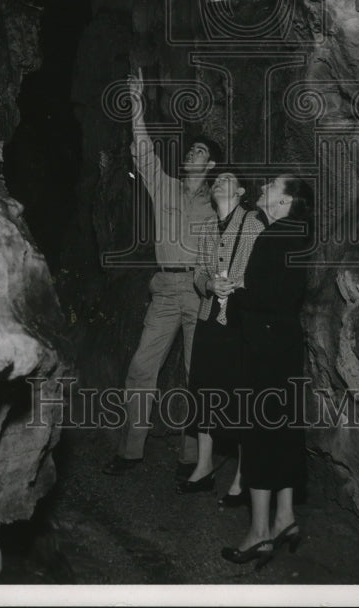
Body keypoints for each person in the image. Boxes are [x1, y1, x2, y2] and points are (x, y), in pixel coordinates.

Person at [103, 67, 222, 477]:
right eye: (192, 151)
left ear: (211, 168)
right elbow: (143, 150)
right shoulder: (165, 186)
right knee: (141, 367)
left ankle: (191, 457)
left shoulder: (218, 205)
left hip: (200, 290)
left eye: (201, 154)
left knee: (197, 374)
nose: (192, 155)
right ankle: (130, 449)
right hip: (165, 289)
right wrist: (136, 103)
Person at [221, 174, 313, 570]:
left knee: (258, 433)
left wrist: (235, 291)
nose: (263, 188)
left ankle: (259, 532)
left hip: (264, 348)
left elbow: (262, 297)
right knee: (284, 429)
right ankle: (284, 517)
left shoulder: (273, 236)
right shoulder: (300, 234)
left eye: (272, 187)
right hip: (287, 345)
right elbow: (285, 292)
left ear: (287, 200)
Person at [177, 172, 264, 498]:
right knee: (204, 391)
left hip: (240, 320)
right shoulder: (207, 227)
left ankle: (242, 476)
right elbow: (199, 271)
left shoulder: (254, 223)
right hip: (209, 317)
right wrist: (208, 284)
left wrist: (239, 284)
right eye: (216, 180)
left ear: (241, 191)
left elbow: (262, 271)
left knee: (239, 394)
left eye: (227, 179)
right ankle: (203, 466)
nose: (218, 182)